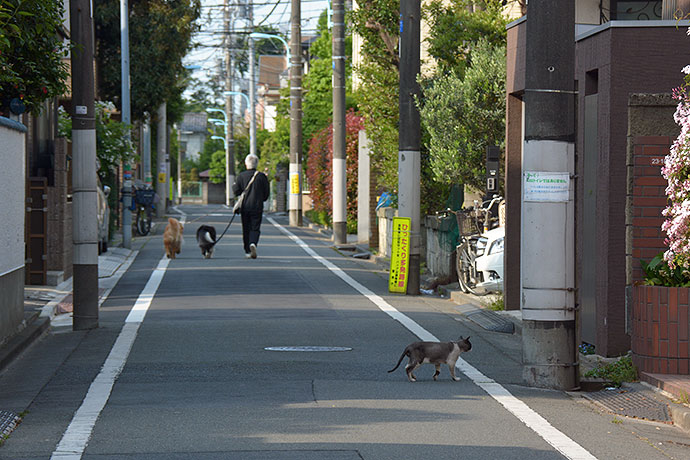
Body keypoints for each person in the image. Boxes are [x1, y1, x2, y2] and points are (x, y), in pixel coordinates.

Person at [233, 154, 270, 259]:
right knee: (255, 227)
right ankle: (253, 243)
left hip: (245, 206)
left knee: (246, 228)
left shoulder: (241, 176)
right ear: (257, 164)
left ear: (246, 164)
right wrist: (261, 199)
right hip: (257, 206)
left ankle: (248, 251)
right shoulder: (261, 176)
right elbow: (266, 194)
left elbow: (236, 191)